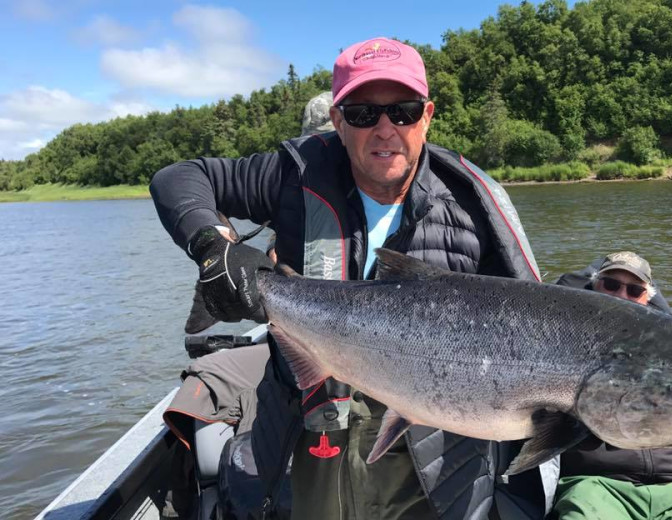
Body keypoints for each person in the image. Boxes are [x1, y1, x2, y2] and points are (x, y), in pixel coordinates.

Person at [150, 37, 542, 520]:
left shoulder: (476, 203)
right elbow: (178, 177)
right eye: (362, 114)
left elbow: (537, 329)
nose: (384, 129)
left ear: (428, 115)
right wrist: (213, 248)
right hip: (309, 430)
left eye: (402, 111)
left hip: (436, 451)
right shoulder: (292, 174)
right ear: (337, 120)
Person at [551, 251, 672, 520]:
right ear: (593, 286)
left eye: (634, 290)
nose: (621, 296)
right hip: (596, 486)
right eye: (611, 285)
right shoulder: (559, 344)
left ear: (647, 299)